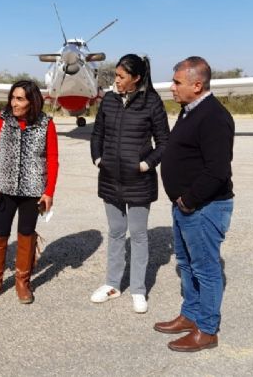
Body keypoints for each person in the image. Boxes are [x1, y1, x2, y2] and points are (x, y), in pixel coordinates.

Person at [154, 56, 234, 352]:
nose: (172, 87)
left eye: (177, 82)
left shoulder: (214, 117)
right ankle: (190, 314)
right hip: (185, 207)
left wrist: (189, 200)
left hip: (203, 207)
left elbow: (217, 170)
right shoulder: (190, 111)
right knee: (186, 264)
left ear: (197, 85)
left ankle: (207, 329)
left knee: (205, 269)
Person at [88, 54, 169, 313]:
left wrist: (145, 165)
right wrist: (98, 159)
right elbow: (97, 134)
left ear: (136, 78)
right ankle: (112, 284)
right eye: (116, 75)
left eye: (121, 76)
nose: (116, 80)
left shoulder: (152, 102)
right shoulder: (109, 100)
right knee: (115, 232)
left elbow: (164, 143)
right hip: (110, 178)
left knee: (138, 235)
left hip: (139, 181)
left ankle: (138, 290)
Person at [0, 80, 59, 304]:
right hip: (4, 188)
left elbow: (52, 158)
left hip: (33, 190)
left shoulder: (46, 123)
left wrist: (49, 192)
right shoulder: (1, 119)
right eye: (12, 98)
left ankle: (22, 281)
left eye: (20, 99)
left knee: (26, 233)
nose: (14, 103)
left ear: (32, 102)